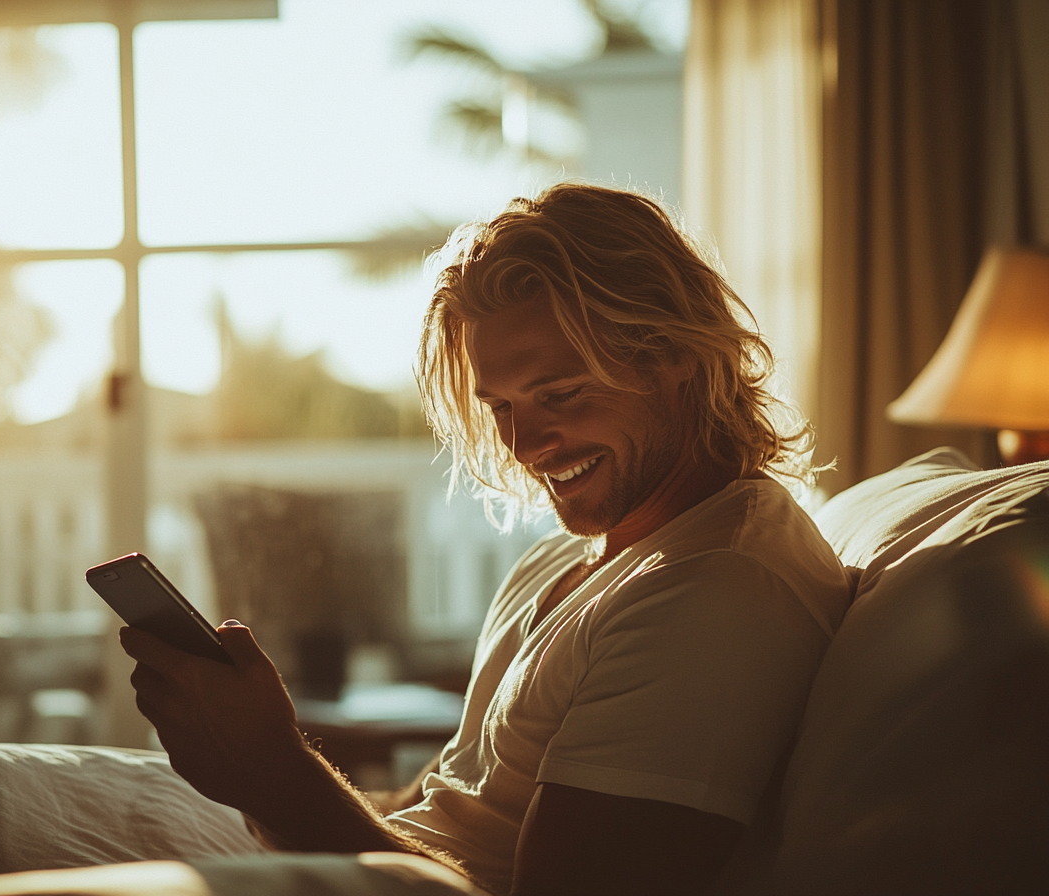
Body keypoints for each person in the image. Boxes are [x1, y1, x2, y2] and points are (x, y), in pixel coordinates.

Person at [119, 183, 852, 896]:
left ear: (673, 353)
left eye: (559, 394)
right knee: (6, 783)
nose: (526, 443)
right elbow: (446, 808)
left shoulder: (717, 590)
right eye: (500, 406)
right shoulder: (572, 556)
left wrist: (273, 774)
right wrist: (254, 782)